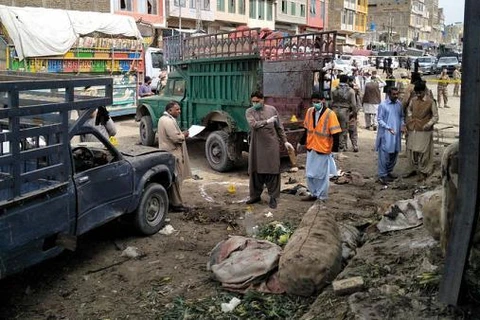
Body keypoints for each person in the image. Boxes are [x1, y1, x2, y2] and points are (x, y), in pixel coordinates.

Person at [245, 91, 294, 209]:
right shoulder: (249, 111)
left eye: (257, 101)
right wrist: (267, 122)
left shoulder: (272, 110)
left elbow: (279, 127)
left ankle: (273, 197)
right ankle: (255, 195)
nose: (255, 103)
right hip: (257, 145)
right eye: (253, 101)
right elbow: (253, 125)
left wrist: (285, 141)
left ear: (263, 100)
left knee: (272, 170)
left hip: (271, 145)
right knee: (256, 170)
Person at [297, 93, 342, 201]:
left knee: (321, 175)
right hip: (311, 146)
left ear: (323, 101)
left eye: (317, 102)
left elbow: (335, 133)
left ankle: (321, 196)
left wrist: (335, 150)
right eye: (314, 102)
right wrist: (301, 142)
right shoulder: (309, 112)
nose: (315, 104)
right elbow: (307, 129)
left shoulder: (330, 114)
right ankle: (313, 193)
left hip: (323, 148)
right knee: (310, 173)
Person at [158, 101, 192, 212]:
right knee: (175, 180)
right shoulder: (167, 121)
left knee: (174, 180)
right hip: (172, 153)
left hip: (170, 153)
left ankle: (173, 202)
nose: (179, 111)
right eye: (177, 109)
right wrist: (184, 135)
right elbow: (175, 138)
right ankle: (176, 204)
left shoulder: (166, 119)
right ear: (170, 110)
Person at [404, 81, 439, 181]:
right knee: (411, 149)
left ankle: (424, 171)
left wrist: (428, 124)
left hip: (424, 130)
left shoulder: (431, 102)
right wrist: (410, 118)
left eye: (420, 93)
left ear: (424, 91)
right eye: (417, 93)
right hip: (413, 128)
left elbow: (435, 116)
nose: (418, 95)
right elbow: (409, 110)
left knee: (424, 151)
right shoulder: (413, 100)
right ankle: (413, 169)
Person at [375, 87, 404, 185]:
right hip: (386, 134)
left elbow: (402, 116)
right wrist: (388, 128)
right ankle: (382, 175)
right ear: (389, 94)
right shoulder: (383, 105)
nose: (396, 96)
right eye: (394, 94)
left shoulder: (399, 104)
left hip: (396, 134)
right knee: (384, 155)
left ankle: (389, 172)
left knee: (394, 153)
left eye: (397, 94)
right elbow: (379, 119)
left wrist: (402, 126)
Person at [331, 74, 356, 152]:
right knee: (343, 129)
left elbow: (331, 101)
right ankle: (341, 146)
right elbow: (354, 104)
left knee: (333, 129)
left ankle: (334, 145)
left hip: (334, 110)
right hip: (344, 111)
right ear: (347, 81)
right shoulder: (351, 91)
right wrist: (354, 114)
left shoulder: (334, 89)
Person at [348, 76, 361, 152]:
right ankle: (355, 145)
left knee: (344, 132)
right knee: (353, 132)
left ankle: (344, 147)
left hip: (348, 115)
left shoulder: (354, 95)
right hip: (352, 116)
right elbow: (358, 106)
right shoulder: (355, 95)